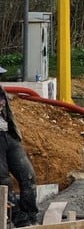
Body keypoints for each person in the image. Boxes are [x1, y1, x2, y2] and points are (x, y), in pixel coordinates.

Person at [0, 75, 39, 226]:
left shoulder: (1, 91)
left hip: (9, 136)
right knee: (3, 181)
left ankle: (31, 216)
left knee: (28, 176)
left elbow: (8, 114)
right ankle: (19, 220)